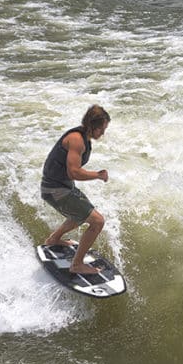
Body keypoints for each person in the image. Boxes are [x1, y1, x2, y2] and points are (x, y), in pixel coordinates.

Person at [41, 105, 111, 275]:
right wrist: (98, 175)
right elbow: (74, 172)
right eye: (101, 129)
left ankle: (53, 239)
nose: (102, 133)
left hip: (62, 186)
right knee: (97, 222)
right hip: (55, 189)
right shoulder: (77, 140)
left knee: (81, 214)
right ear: (92, 125)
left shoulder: (83, 137)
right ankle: (77, 264)